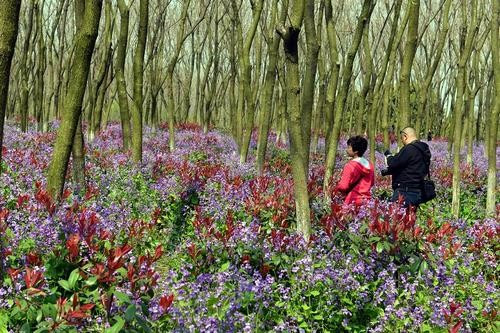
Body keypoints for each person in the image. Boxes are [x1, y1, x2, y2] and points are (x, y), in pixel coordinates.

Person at [381, 127, 431, 208]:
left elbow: (393, 163)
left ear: (405, 136)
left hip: (404, 191)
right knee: (410, 218)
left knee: (397, 218)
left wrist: (389, 156)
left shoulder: (409, 149)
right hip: (418, 191)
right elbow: (408, 166)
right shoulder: (424, 149)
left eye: (402, 138)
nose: (402, 141)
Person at [335, 136, 375, 205]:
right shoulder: (370, 165)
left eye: (349, 147)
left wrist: (336, 187)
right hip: (366, 202)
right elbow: (372, 183)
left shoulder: (350, 166)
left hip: (352, 201)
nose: (347, 149)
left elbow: (343, 186)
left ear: (356, 151)